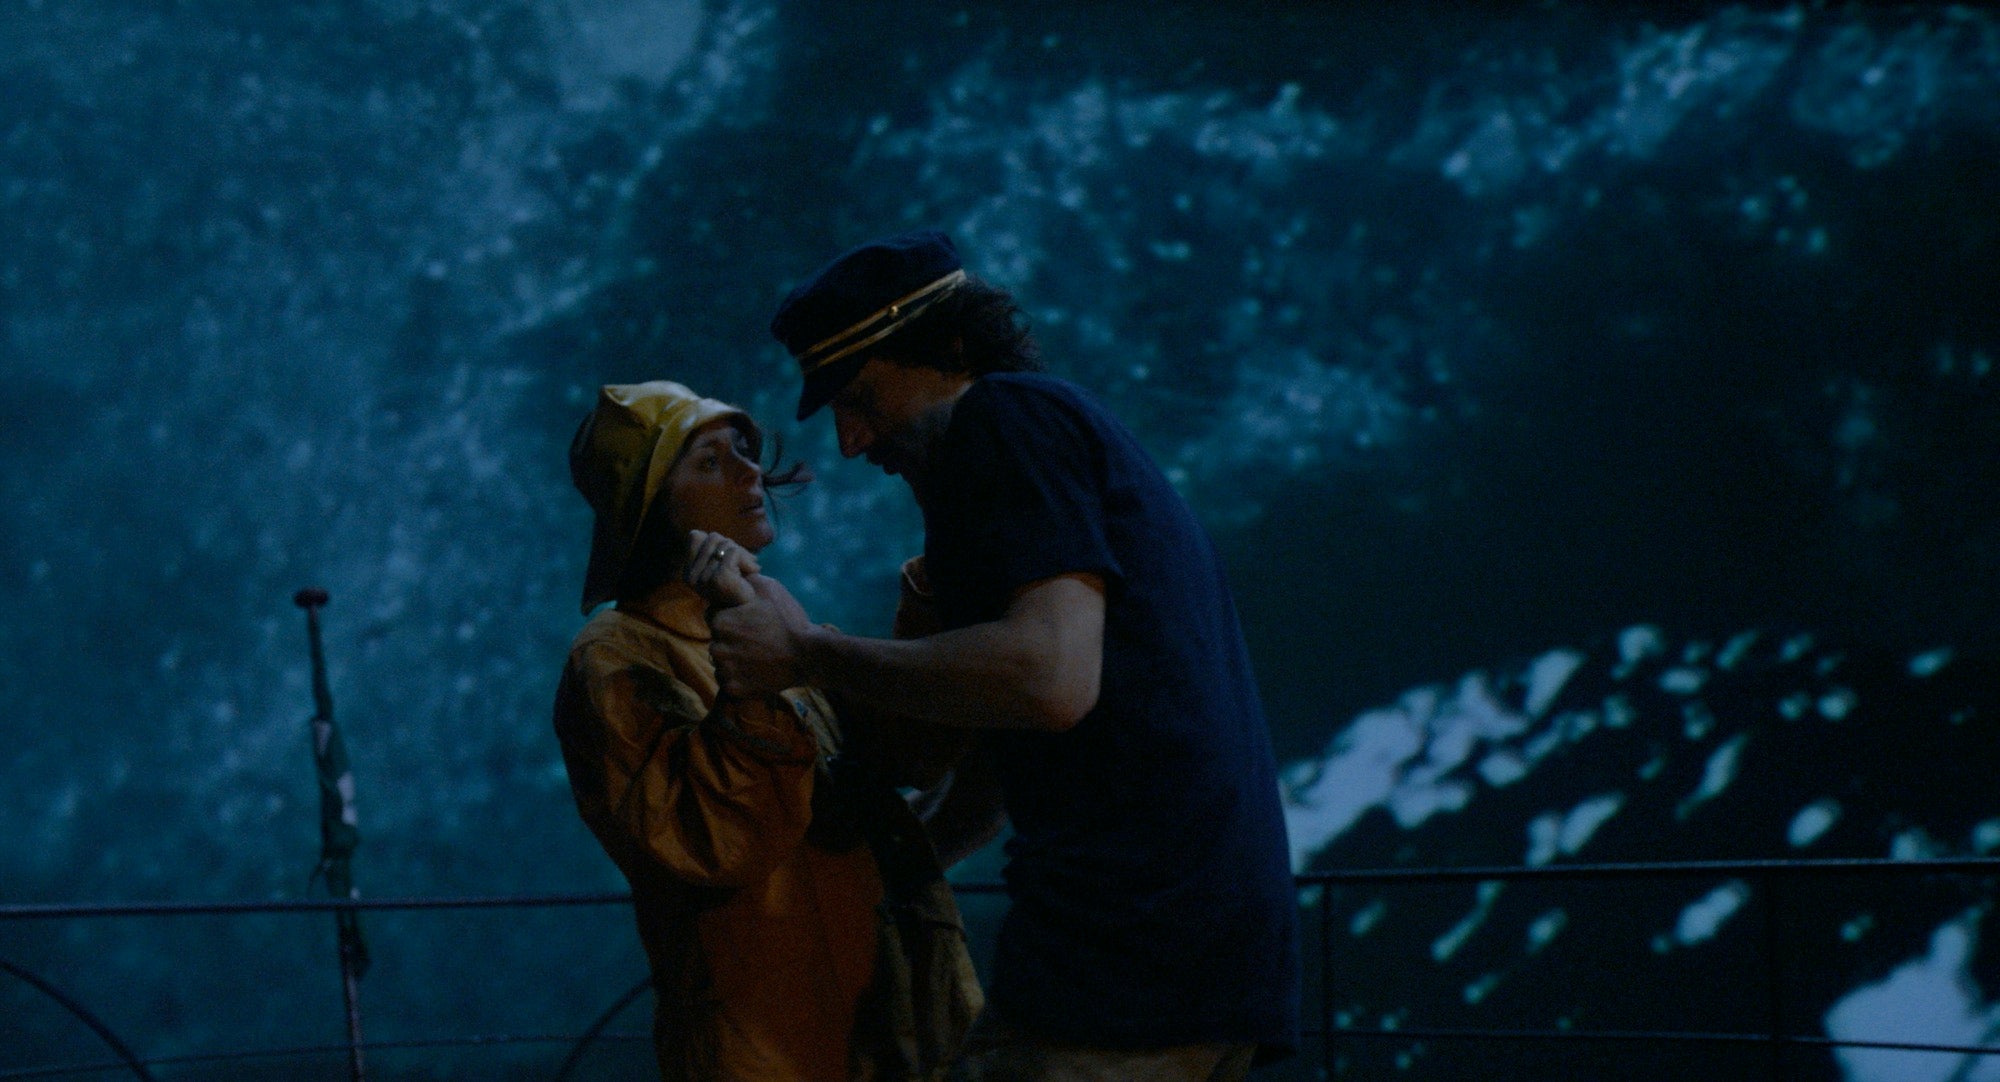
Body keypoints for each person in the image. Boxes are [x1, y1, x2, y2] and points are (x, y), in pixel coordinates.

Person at [709, 231, 1302, 1079]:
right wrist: (893, 867)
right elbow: (1002, 757)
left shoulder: (1006, 419)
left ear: (948, 348)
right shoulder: (1041, 447)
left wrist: (810, 655)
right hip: (1193, 950)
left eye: (862, 396)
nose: (848, 441)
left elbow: (1047, 679)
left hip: (1126, 953)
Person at [552, 380, 981, 1081]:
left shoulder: (772, 616)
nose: (751, 472)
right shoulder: (616, 658)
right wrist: (753, 672)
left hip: (898, 1029)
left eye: (742, 452)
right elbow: (717, 840)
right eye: (710, 461)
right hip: (774, 1049)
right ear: (650, 505)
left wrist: (942, 586)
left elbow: (906, 752)